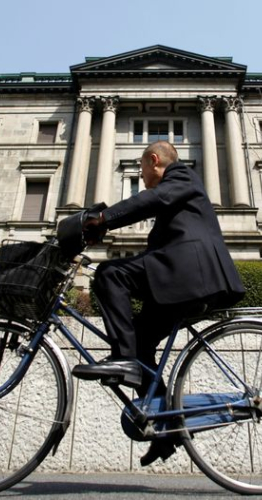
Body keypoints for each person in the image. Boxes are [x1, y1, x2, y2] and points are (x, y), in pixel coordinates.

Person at [71, 140, 245, 466]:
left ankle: (123, 361)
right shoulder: (176, 190)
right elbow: (155, 220)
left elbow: (151, 200)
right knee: (141, 344)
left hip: (190, 272)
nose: (141, 174)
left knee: (110, 275)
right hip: (181, 276)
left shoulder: (181, 176)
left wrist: (104, 218)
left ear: (154, 160)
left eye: (141, 168)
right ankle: (165, 433)